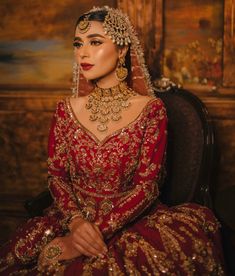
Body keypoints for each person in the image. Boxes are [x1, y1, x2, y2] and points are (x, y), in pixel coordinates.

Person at [0, 6, 225, 275]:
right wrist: (76, 224)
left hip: (130, 223)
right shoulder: (66, 109)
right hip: (70, 219)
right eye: (78, 43)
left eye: (95, 42)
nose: (83, 52)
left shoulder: (150, 110)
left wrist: (92, 234)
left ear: (121, 50)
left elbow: (148, 186)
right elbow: (57, 176)